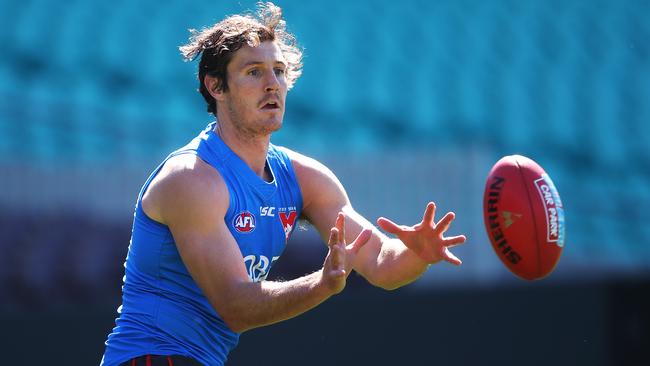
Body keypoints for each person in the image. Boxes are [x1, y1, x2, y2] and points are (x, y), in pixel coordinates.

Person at [101, 2, 467, 365]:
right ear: (216, 86)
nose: (272, 84)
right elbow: (236, 306)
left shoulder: (305, 178)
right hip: (150, 357)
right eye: (254, 72)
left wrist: (417, 255)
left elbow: (382, 266)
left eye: (279, 71)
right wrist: (322, 284)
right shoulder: (192, 178)